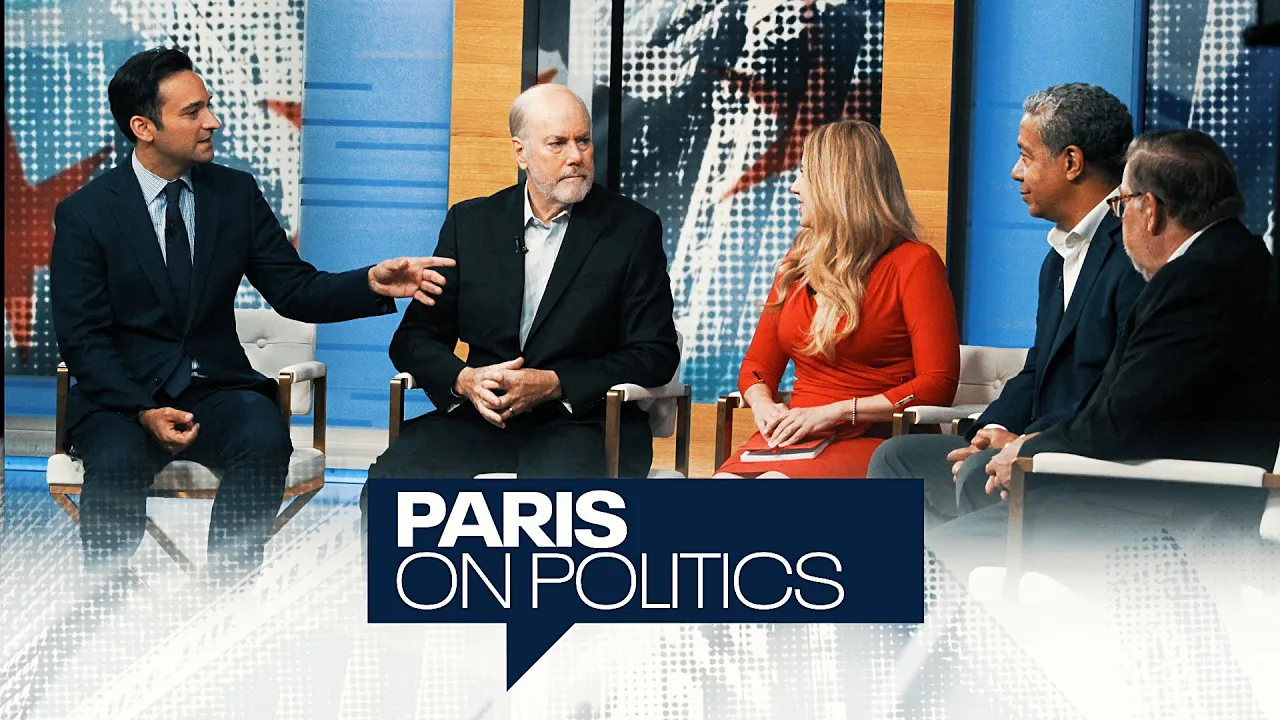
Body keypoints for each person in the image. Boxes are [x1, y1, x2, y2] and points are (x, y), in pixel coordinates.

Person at [50, 47, 454, 581]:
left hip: (214, 390)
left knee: (263, 435)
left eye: (208, 106)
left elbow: (295, 290)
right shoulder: (85, 214)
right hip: (122, 399)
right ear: (143, 128)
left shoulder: (234, 195)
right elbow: (83, 337)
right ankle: (105, 599)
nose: (212, 121)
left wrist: (370, 283)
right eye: (193, 112)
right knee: (117, 460)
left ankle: (227, 591)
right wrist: (144, 409)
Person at [929, 129, 1280, 583]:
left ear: (1149, 209)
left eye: (1121, 204)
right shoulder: (1240, 259)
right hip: (1156, 489)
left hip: (1164, 514)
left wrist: (1027, 449)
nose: (1120, 218)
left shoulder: (1195, 281)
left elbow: (1120, 423)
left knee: (923, 560)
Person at [360, 84, 679, 483]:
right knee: (391, 484)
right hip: (484, 418)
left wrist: (555, 384)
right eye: (557, 144)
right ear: (521, 152)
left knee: (549, 502)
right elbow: (413, 339)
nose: (576, 156)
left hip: (585, 424)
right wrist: (464, 380)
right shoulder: (470, 224)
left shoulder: (632, 229)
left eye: (583, 141)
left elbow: (656, 352)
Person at [868, 83, 1146, 521]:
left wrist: (1024, 442)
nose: (1016, 172)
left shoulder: (1135, 255)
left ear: (1071, 162)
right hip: (1028, 444)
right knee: (898, 458)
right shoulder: (1058, 257)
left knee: (973, 472)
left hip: (1077, 459)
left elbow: (1113, 392)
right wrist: (991, 429)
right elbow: (1037, 370)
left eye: (1026, 156)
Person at [713, 119, 960, 478]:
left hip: (878, 441)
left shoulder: (915, 263)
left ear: (837, 185)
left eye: (804, 175)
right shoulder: (795, 265)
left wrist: (836, 412)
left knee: (772, 488)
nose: (794, 187)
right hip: (795, 436)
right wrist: (764, 405)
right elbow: (757, 366)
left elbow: (937, 385)